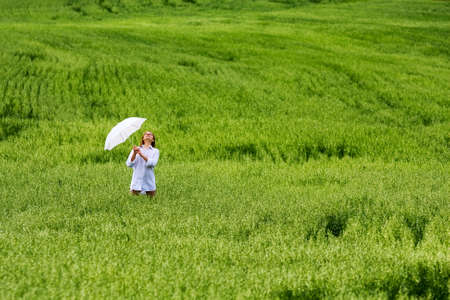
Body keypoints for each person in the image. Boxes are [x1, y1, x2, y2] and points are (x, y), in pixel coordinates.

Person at [126, 131, 159, 197]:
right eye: (146, 134)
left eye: (150, 134)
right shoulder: (136, 150)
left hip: (149, 180)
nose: (148, 134)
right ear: (143, 139)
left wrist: (141, 154)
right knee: (132, 201)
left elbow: (152, 163)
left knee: (152, 202)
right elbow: (129, 164)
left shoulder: (155, 151)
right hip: (137, 180)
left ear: (152, 140)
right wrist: (134, 154)